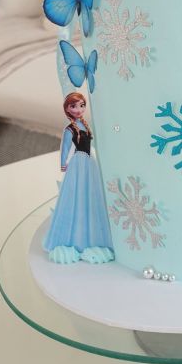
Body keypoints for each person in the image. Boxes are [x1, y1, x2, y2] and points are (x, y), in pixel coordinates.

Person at [43, 92, 114, 264]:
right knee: (77, 195)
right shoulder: (70, 129)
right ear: (67, 109)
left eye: (82, 105)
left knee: (92, 194)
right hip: (78, 163)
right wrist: (63, 164)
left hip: (90, 162)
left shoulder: (85, 125)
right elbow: (66, 148)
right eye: (74, 106)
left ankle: (94, 235)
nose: (78, 109)